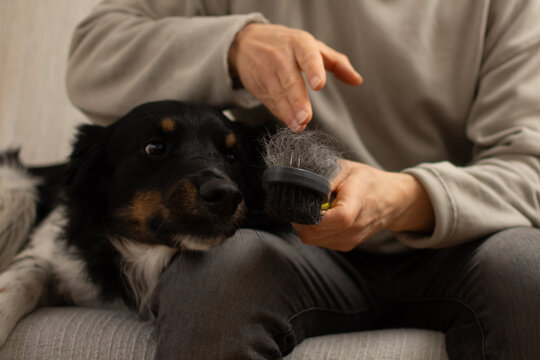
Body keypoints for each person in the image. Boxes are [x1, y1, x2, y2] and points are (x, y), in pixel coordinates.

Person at [66, 1, 540, 359]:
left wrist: (401, 197)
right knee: (216, 278)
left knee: (527, 271)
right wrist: (235, 45)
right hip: (297, 245)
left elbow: (528, 164)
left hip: (462, 245)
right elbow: (93, 56)